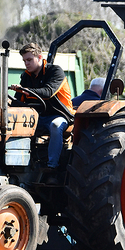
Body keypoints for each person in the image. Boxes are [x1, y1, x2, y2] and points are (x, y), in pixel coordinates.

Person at [10, 43, 75, 175]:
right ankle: (16, 164)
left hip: (59, 114)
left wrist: (26, 91)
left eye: (29, 60)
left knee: (56, 126)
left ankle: (52, 167)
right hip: (38, 116)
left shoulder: (55, 71)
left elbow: (48, 92)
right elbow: (19, 99)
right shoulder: (26, 76)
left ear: (39, 57)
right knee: (14, 122)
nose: (26, 63)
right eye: (24, 61)